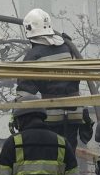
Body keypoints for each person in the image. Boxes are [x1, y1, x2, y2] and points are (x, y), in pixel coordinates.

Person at [16, 8, 93, 152]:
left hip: (52, 117)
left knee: (52, 155)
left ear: (28, 29)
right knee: (69, 155)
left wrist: (16, 115)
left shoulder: (33, 56)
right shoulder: (67, 47)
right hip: (75, 114)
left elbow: (25, 94)